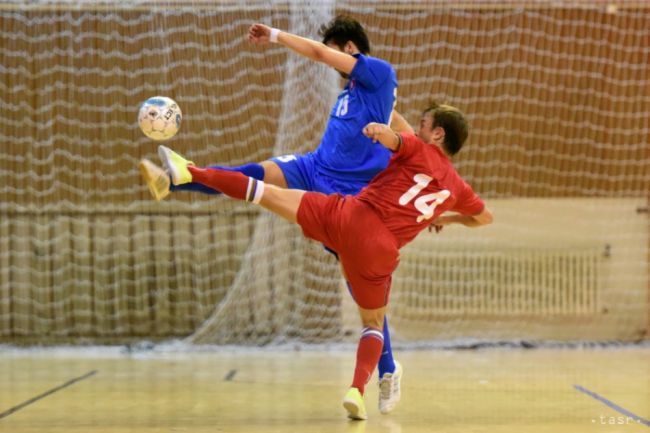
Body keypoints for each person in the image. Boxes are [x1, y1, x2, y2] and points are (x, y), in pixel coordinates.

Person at [148, 102, 493, 420]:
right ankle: (357, 391)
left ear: (437, 134)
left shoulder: (417, 147)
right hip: (381, 250)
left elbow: (392, 135)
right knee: (372, 323)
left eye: (423, 125)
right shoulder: (458, 187)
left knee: (266, 193)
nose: (417, 129)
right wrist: (444, 218)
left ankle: (190, 172)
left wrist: (377, 128)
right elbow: (483, 218)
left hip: (350, 218)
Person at [140, 17, 408, 413]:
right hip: (313, 168)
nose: (330, 61)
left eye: (336, 52)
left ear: (350, 48)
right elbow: (400, 129)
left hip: (345, 197)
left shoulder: (380, 73)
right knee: (257, 172)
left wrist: (275, 36)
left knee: (362, 292)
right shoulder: (349, 94)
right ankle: (176, 178)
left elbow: (320, 54)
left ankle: (387, 369)